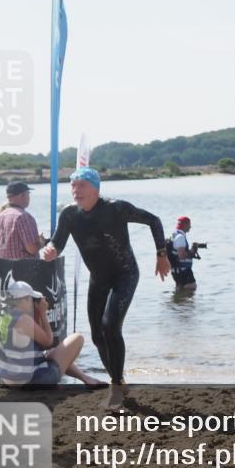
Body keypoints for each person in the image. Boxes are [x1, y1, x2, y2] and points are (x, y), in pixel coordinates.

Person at [41, 167, 170, 410]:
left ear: (95, 188)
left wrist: (161, 254)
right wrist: (49, 251)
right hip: (99, 278)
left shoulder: (116, 208)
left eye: (81, 185)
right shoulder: (69, 214)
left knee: (111, 326)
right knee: (98, 335)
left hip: (125, 274)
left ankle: (115, 387)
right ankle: (119, 379)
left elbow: (154, 220)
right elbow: (56, 243)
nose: (75, 190)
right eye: (73, 185)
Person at [0, 280, 104, 388]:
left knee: (52, 352)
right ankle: (82, 379)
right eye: (31, 299)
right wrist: (43, 314)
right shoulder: (23, 320)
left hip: (9, 379)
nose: (32, 303)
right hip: (29, 381)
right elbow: (48, 341)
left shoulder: (5, 316)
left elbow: (36, 346)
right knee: (78, 338)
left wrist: (37, 314)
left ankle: (86, 378)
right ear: (25, 299)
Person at [0, 181, 44, 259]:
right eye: (28, 193)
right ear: (22, 195)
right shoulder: (23, 217)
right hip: (22, 269)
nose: (29, 197)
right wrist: (41, 243)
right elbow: (32, 249)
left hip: (1, 269)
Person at [169, 216, 198, 289]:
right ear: (185, 225)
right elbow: (181, 255)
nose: (190, 227)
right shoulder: (180, 237)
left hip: (177, 270)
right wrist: (192, 252)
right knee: (192, 288)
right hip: (183, 271)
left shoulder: (174, 235)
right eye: (189, 224)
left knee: (181, 291)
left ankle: (179, 300)